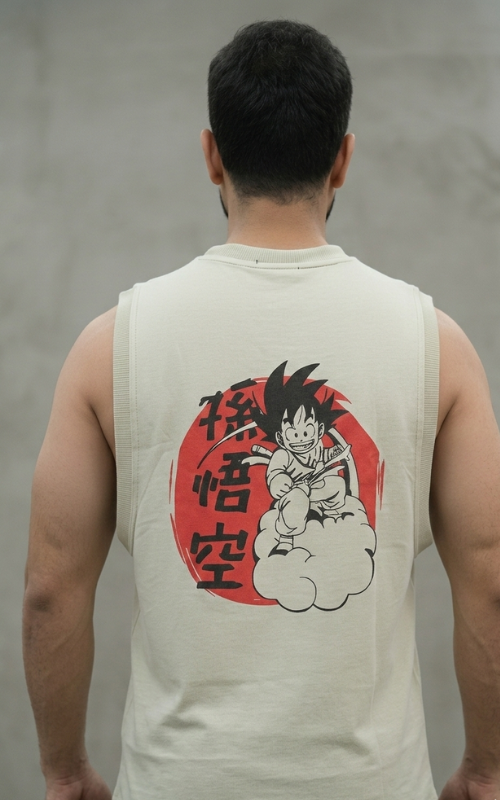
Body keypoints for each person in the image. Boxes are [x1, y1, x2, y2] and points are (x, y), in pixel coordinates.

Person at [22, 19, 500, 800]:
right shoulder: (437, 346)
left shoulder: (109, 346)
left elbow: (50, 591)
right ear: (343, 158)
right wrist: (487, 771)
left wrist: (64, 772)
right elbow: (492, 580)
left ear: (212, 155)